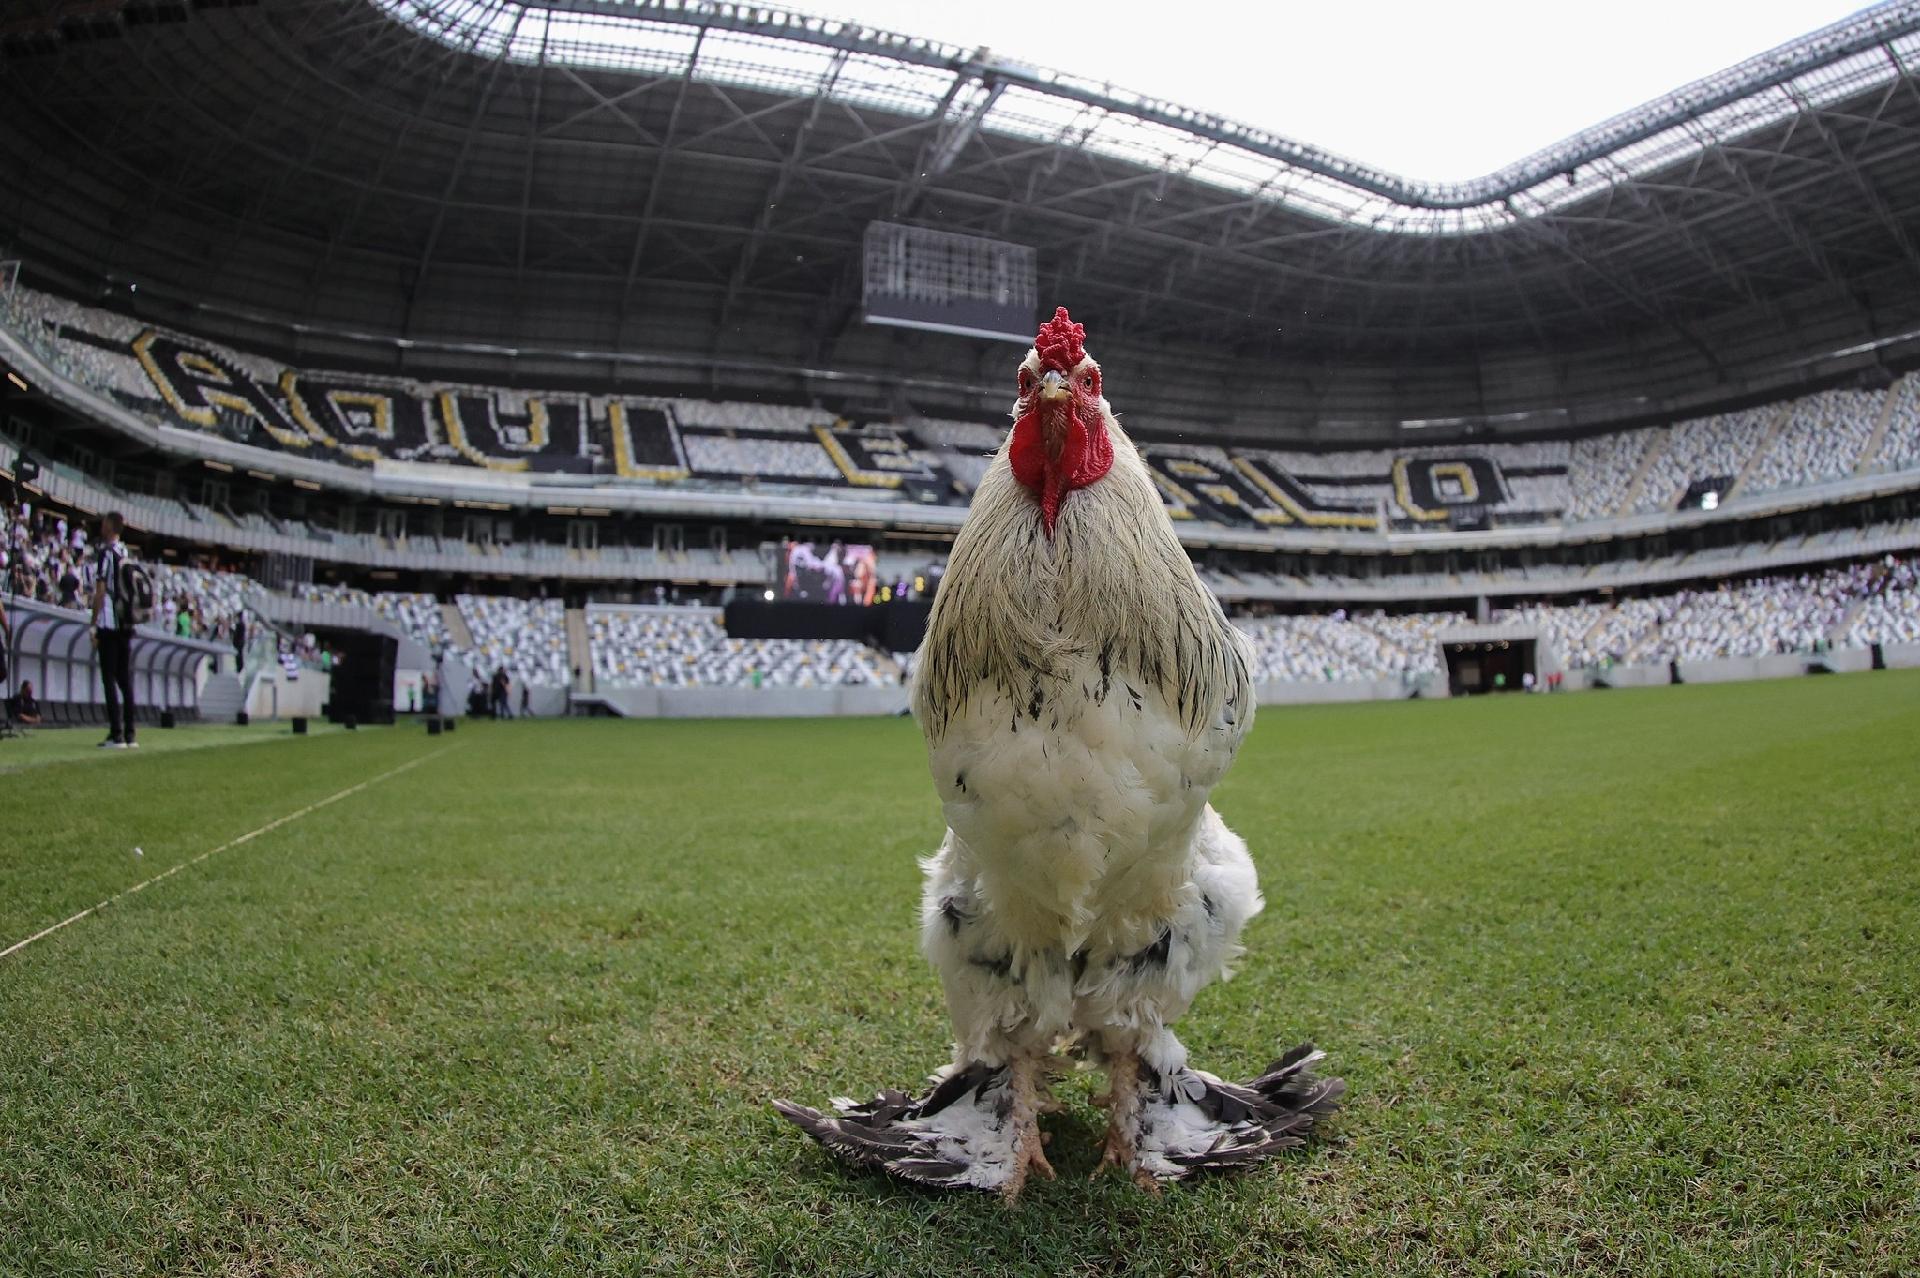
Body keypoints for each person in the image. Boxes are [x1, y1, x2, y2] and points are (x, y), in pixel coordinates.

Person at [88, 511, 137, 748]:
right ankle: (130, 733)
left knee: (108, 677)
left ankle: (116, 733)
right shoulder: (126, 553)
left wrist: (93, 624)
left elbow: (100, 592)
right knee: (125, 680)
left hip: (109, 623)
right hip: (126, 622)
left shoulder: (106, 554)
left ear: (109, 526)